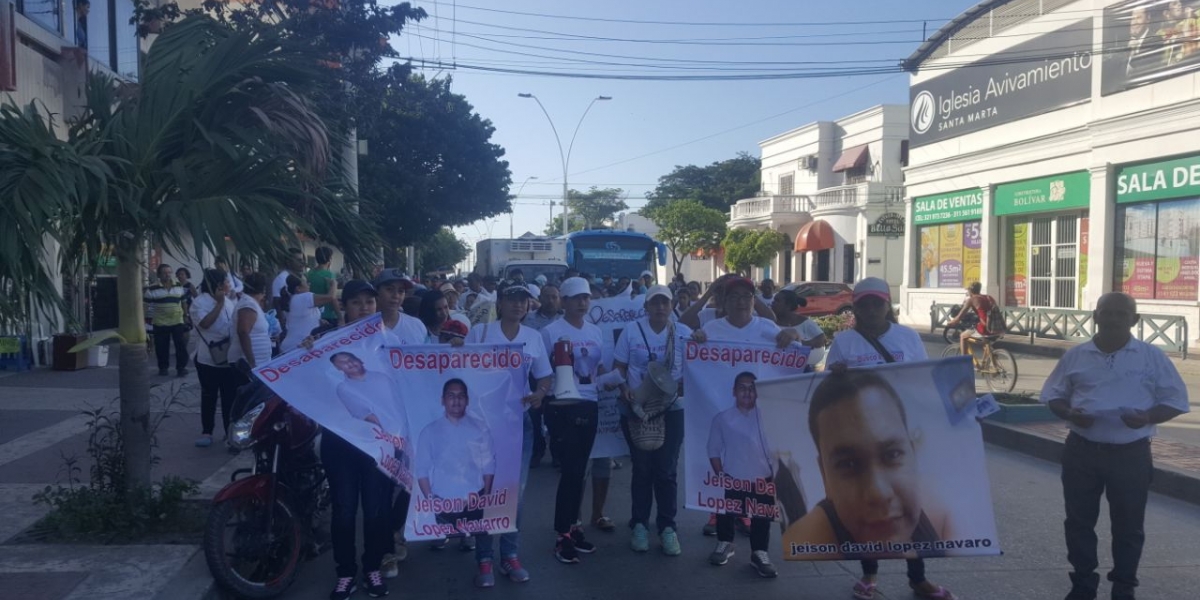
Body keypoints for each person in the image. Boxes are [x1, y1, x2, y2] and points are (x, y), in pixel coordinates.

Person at [1041, 292, 1189, 600]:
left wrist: (1148, 416)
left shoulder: (1152, 357)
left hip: (1130, 454)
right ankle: (1083, 583)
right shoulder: (1075, 355)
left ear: (1134, 320)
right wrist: (1069, 413)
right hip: (1081, 451)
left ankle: (1124, 587)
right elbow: (1053, 395)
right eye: (1106, 312)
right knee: (1079, 522)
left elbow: (1175, 400)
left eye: (1122, 314)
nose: (1113, 319)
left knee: (1129, 526)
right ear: (1095, 316)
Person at [824, 276, 955, 600]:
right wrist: (835, 374)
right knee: (869, 505)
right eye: (864, 304)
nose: (871, 310)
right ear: (855, 307)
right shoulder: (844, 342)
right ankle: (869, 575)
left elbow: (923, 378)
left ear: (887, 305)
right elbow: (828, 386)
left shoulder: (907, 338)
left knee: (912, 503)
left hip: (904, 435)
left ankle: (918, 578)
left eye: (876, 303)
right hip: (861, 438)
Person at [690, 276, 799, 579]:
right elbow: (689, 346)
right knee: (729, 503)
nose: (740, 300)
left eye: (746, 295)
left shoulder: (767, 329)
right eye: (733, 296)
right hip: (733, 450)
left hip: (762, 443)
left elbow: (799, 354)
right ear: (723, 302)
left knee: (763, 506)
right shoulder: (712, 330)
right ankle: (725, 543)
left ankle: (759, 552)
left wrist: (791, 333)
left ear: (755, 300)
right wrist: (696, 340)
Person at [784, 370, 949, 558]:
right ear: (824, 475)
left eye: (892, 454)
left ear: (913, 455)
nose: (878, 493)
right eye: (848, 464)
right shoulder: (802, 545)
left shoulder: (938, 510)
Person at [465, 279, 553, 586]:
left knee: (514, 493)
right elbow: (461, 371)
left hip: (519, 424)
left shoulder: (534, 337)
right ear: (499, 303)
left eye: (523, 300)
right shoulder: (480, 333)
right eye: (512, 299)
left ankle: (510, 555)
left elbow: (544, 377)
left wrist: (540, 393)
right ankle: (484, 558)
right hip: (483, 425)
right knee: (485, 491)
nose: (518, 304)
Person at [323, 280, 394, 600]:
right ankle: (345, 572)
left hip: (378, 444)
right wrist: (307, 348)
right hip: (339, 443)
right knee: (344, 509)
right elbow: (300, 375)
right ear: (344, 306)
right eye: (356, 302)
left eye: (369, 301)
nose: (364, 307)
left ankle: (373, 567)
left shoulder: (390, 343)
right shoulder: (324, 345)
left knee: (377, 509)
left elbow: (421, 372)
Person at [611, 285, 690, 556]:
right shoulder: (632, 331)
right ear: (646, 306)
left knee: (667, 470)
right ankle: (640, 525)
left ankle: (667, 527)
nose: (660, 308)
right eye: (655, 303)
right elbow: (619, 368)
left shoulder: (683, 333)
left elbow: (698, 366)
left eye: (665, 303)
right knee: (642, 469)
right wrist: (624, 390)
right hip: (638, 409)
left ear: (672, 306)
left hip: (672, 409)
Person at [540, 277, 605, 564]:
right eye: (576, 298)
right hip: (562, 406)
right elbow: (542, 372)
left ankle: (574, 527)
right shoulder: (550, 331)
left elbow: (599, 369)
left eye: (586, 298)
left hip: (589, 403)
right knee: (570, 471)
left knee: (581, 471)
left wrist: (615, 382)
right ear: (563, 301)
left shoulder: (596, 331)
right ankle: (562, 534)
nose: (582, 303)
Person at [705, 372, 778, 577]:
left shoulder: (768, 417)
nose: (747, 391)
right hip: (733, 478)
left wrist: (777, 476)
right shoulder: (723, 419)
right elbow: (713, 449)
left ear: (758, 392)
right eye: (742, 387)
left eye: (752, 387)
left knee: (762, 517)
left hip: (762, 478)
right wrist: (720, 476)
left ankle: (759, 553)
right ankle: (725, 543)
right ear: (734, 392)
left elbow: (780, 448)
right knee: (725, 513)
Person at [416, 379, 495, 529]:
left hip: (474, 501)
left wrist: (485, 497)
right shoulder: (429, 432)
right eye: (451, 396)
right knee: (441, 537)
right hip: (443, 502)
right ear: (442, 400)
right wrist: (432, 502)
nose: (456, 401)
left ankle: (468, 539)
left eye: (461, 396)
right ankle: (439, 538)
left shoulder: (480, 429)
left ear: (467, 400)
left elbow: (488, 465)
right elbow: (422, 470)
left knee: (473, 534)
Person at [190, 268, 239, 448]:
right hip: (208, 358)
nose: (228, 285)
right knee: (209, 395)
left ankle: (229, 433)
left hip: (229, 357)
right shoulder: (199, 302)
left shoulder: (229, 301)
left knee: (229, 398)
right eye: (225, 282)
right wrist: (218, 304)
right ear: (217, 284)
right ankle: (207, 431)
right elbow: (204, 324)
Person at [522, 283, 561, 468]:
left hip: (558, 377)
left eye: (554, 296)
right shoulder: (528, 320)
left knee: (555, 420)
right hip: (533, 376)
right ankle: (536, 452)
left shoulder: (565, 320)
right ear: (540, 299)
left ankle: (557, 455)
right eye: (547, 296)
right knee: (535, 417)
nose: (551, 300)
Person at [144, 264, 190, 377]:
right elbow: (145, 305)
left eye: (169, 272)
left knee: (180, 346)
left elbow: (183, 301)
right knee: (161, 347)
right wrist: (143, 320)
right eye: (164, 272)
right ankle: (163, 368)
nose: (167, 275)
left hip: (177, 321)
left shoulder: (178, 285)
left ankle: (181, 368)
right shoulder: (152, 288)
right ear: (159, 275)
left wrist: (186, 315)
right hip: (160, 322)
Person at [278, 275, 338, 353]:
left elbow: (301, 320)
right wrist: (334, 284)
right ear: (298, 288)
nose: (309, 284)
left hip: (292, 345)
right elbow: (331, 297)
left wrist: (318, 321)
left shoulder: (294, 299)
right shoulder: (303, 297)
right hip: (298, 346)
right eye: (306, 282)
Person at [227, 272, 272, 376]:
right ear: (262, 289)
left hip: (259, 363)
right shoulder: (248, 304)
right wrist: (251, 363)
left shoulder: (252, 303)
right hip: (246, 365)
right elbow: (243, 332)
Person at [772, 289, 827, 367]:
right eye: (774, 300)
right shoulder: (769, 322)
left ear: (788, 306)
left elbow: (821, 339)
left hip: (800, 367)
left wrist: (799, 344)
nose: (772, 303)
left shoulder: (804, 322)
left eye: (777, 301)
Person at [945, 282, 996, 358]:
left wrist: (950, 323)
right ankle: (990, 360)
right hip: (998, 327)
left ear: (970, 291)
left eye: (968, 290)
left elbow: (958, 317)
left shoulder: (971, 300)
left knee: (963, 336)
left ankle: (964, 361)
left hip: (986, 328)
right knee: (985, 341)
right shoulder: (988, 297)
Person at [308, 246, 339, 326]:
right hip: (328, 315)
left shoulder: (309, 274)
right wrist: (340, 316)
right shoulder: (329, 274)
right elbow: (332, 298)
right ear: (329, 259)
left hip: (313, 315)